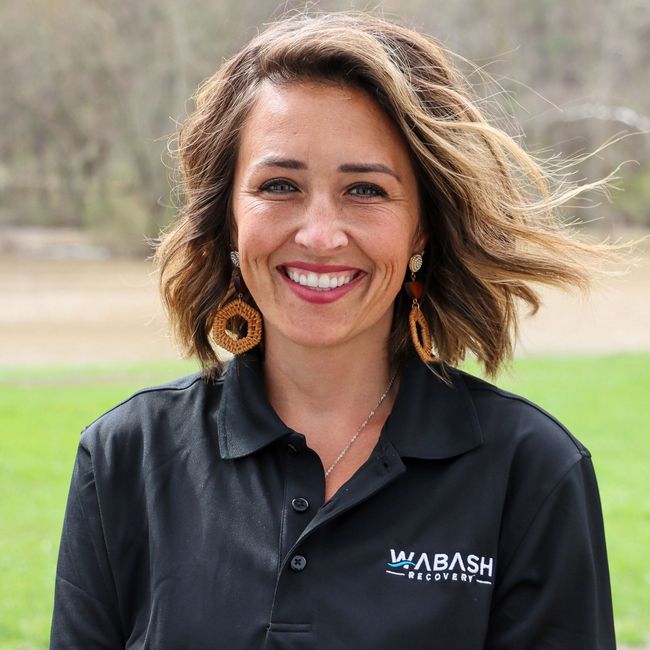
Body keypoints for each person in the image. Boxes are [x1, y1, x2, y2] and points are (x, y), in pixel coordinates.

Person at [50, 12, 617, 649]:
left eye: (365, 190)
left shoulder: (531, 470)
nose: (320, 235)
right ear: (229, 222)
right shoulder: (125, 457)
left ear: (421, 230)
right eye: (280, 185)